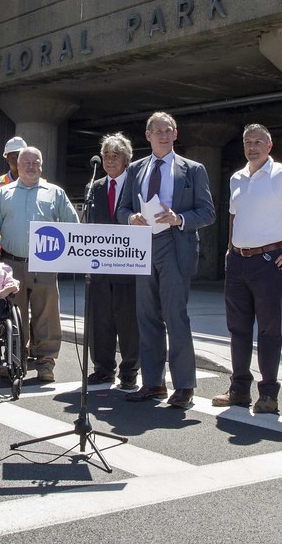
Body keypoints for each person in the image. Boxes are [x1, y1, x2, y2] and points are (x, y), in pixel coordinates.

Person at [212, 124, 282, 413]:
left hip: (268, 261)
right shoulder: (237, 178)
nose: (252, 146)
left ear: (269, 146)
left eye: (259, 141)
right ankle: (238, 389)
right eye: (248, 142)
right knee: (238, 328)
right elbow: (234, 216)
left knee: (269, 329)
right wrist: (229, 248)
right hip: (237, 261)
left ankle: (269, 395)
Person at [118, 112, 215, 408]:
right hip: (142, 247)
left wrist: (179, 218)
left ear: (175, 134)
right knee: (146, 317)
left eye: (168, 131)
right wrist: (131, 218)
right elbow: (122, 209)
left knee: (176, 316)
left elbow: (208, 212)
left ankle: (184, 386)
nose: (163, 135)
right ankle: (153, 382)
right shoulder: (135, 169)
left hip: (175, 245)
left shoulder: (193, 169)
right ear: (147, 135)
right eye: (157, 131)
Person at [0, 146, 79, 382]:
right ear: (17, 164)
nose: (30, 166)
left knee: (47, 316)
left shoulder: (55, 193)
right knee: (12, 314)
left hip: (45, 264)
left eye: (35, 162)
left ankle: (46, 363)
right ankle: (13, 358)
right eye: (25, 162)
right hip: (10, 264)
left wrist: (63, 253)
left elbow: (73, 225)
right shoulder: (2, 193)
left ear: (41, 165)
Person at [87, 132, 140, 390]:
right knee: (101, 320)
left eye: (115, 156)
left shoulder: (136, 185)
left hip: (127, 265)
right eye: (106, 155)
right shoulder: (94, 187)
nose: (109, 160)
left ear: (126, 160)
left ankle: (129, 370)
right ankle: (103, 368)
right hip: (99, 266)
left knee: (127, 320)